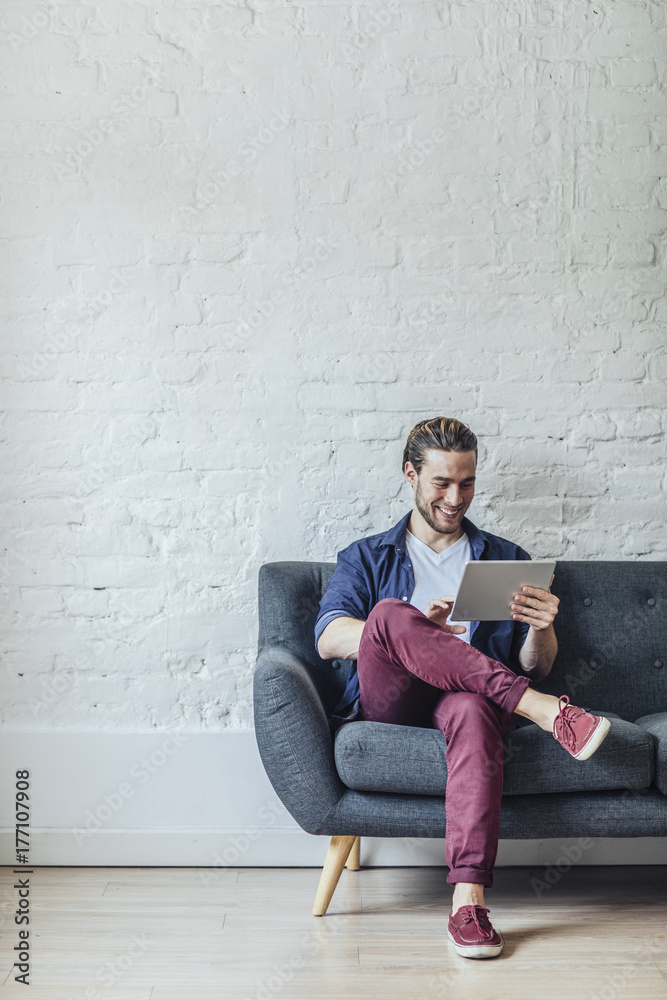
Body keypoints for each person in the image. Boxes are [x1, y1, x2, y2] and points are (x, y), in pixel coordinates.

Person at [314, 416, 610, 959]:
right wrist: (411, 632)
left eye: (467, 483)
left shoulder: (508, 559)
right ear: (410, 474)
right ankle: (547, 713)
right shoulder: (367, 556)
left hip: (471, 699)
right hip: (393, 701)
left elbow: (534, 663)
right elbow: (330, 638)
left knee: (474, 707)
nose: (456, 498)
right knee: (388, 614)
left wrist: (543, 629)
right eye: (441, 483)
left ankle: (468, 902)